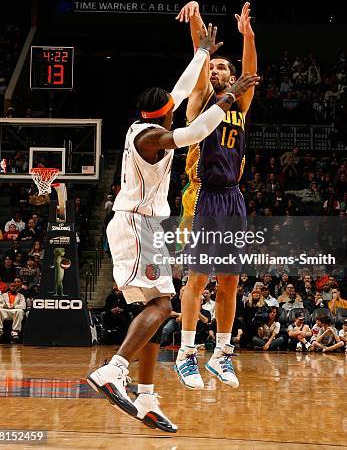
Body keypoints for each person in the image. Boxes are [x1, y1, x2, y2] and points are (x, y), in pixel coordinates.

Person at [87, 25, 258, 432]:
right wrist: (230, 95)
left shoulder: (148, 122)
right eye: (171, 103)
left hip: (150, 226)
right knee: (162, 306)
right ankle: (114, 369)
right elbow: (196, 130)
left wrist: (200, 52)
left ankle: (146, 395)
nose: (176, 101)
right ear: (164, 111)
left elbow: (181, 89)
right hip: (136, 225)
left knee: (158, 308)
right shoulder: (153, 137)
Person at [175, 0, 257, 390]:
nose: (216, 70)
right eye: (213, 68)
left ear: (233, 75)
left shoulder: (240, 101)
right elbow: (199, 56)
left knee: (230, 281)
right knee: (199, 278)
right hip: (204, 195)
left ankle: (221, 354)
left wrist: (248, 37)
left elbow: (252, 73)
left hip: (233, 198)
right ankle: (186, 354)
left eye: (223, 66)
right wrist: (197, 28)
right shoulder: (202, 100)